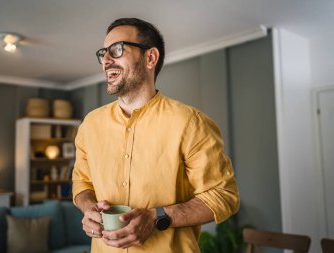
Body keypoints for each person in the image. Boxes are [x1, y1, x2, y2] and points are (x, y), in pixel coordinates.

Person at [72, 17, 240, 253]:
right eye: (103, 53)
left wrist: (157, 217)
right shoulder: (90, 124)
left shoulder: (191, 123)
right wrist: (88, 207)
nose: (106, 61)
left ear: (150, 57)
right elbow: (82, 182)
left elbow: (224, 196)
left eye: (117, 50)